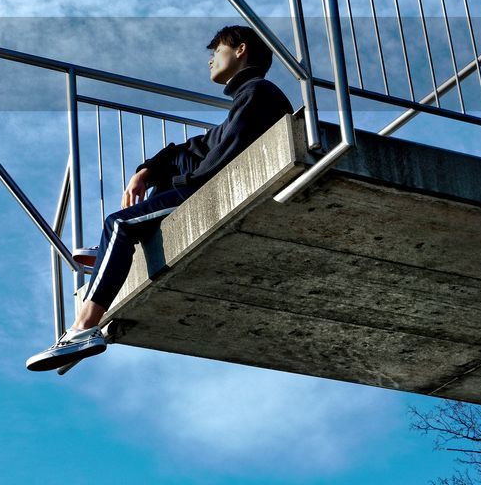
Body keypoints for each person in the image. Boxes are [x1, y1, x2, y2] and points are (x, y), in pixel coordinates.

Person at [26, 25, 294, 372]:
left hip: (217, 189)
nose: (211, 59)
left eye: (218, 50)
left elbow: (224, 157)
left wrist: (180, 180)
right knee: (157, 183)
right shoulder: (246, 99)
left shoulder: (259, 94)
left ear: (241, 50)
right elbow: (190, 149)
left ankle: (83, 330)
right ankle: (114, 249)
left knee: (120, 223)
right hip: (204, 182)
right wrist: (146, 172)